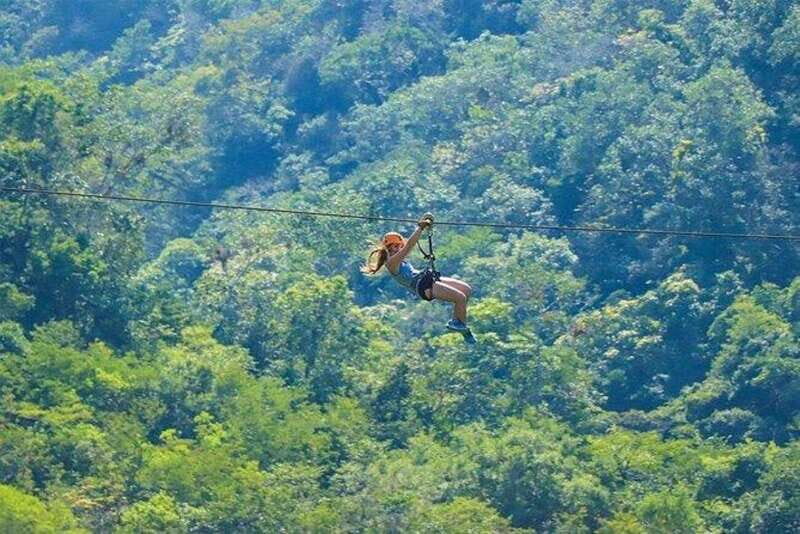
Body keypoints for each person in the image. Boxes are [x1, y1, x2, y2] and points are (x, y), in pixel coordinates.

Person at [362, 213, 476, 344]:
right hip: (422, 285)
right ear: (387, 249)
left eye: (399, 246)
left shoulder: (401, 262)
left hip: (426, 279)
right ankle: (461, 327)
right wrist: (420, 228)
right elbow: (409, 246)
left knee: (466, 289)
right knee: (460, 298)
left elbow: (407, 247)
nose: (398, 248)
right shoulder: (392, 263)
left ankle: (457, 321)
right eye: (394, 246)